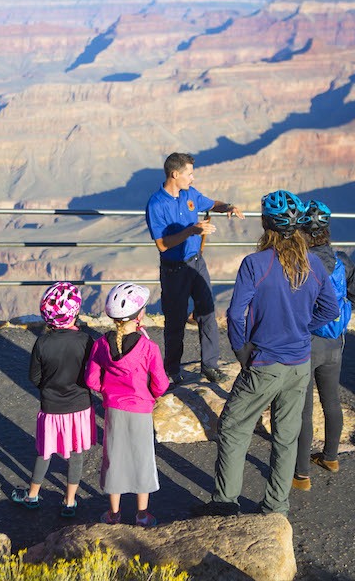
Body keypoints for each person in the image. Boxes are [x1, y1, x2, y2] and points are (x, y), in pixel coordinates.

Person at [193, 190, 339, 517]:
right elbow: (331, 309)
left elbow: (235, 314)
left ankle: (225, 503)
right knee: (286, 438)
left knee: (233, 427)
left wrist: (242, 350)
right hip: (299, 363)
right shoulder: (313, 263)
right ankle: (275, 507)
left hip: (264, 362)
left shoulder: (255, 264)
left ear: (265, 223)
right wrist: (302, 327)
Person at [145, 152, 244, 385]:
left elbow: (212, 203)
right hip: (173, 269)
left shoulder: (190, 194)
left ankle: (209, 366)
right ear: (175, 174)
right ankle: (172, 370)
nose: (193, 177)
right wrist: (191, 230)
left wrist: (227, 206)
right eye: (189, 173)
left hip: (196, 262)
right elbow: (162, 244)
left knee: (208, 312)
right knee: (175, 320)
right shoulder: (156, 204)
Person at [292, 200, 355, 491]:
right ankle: (331, 458)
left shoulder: (300, 261)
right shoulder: (343, 260)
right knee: (331, 400)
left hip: (306, 342)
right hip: (336, 341)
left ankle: (301, 474)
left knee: (303, 409)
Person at [84, 283, 170, 527]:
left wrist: (108, 391)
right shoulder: (149, 348)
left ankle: (113, 514)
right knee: (142, 458)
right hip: (141, 410)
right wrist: (150, 396)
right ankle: (142, 514)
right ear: (140, 315)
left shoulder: (101, 345)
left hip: (114, 410)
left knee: (115, 457)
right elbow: (161, 384)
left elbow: (91, 380)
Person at [11, 282, 96, 518]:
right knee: (76, 453)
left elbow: (34, 377)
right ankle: (69, 502)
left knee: (45, 452)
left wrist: (48, 389)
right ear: (75, 312)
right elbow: (92, 373)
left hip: (51, 407)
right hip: (79, 407)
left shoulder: (42, 343)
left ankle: (32, 495)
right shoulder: (85, 341)